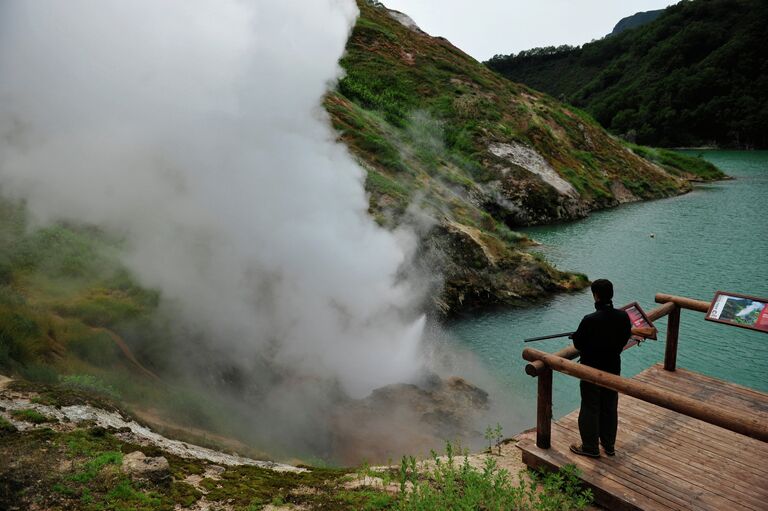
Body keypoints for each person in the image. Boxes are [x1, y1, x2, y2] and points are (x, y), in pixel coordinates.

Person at [568, 279, 655, 458]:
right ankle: (609, 446)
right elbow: (623, 338)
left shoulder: (589, 320)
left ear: (596, 295)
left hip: (591, 370)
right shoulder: (623, 317)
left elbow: (579, 343)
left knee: (590, 406)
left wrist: (576, 336)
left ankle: (590, 447)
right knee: (609, 405)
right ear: (611, 295)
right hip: (613, 366)